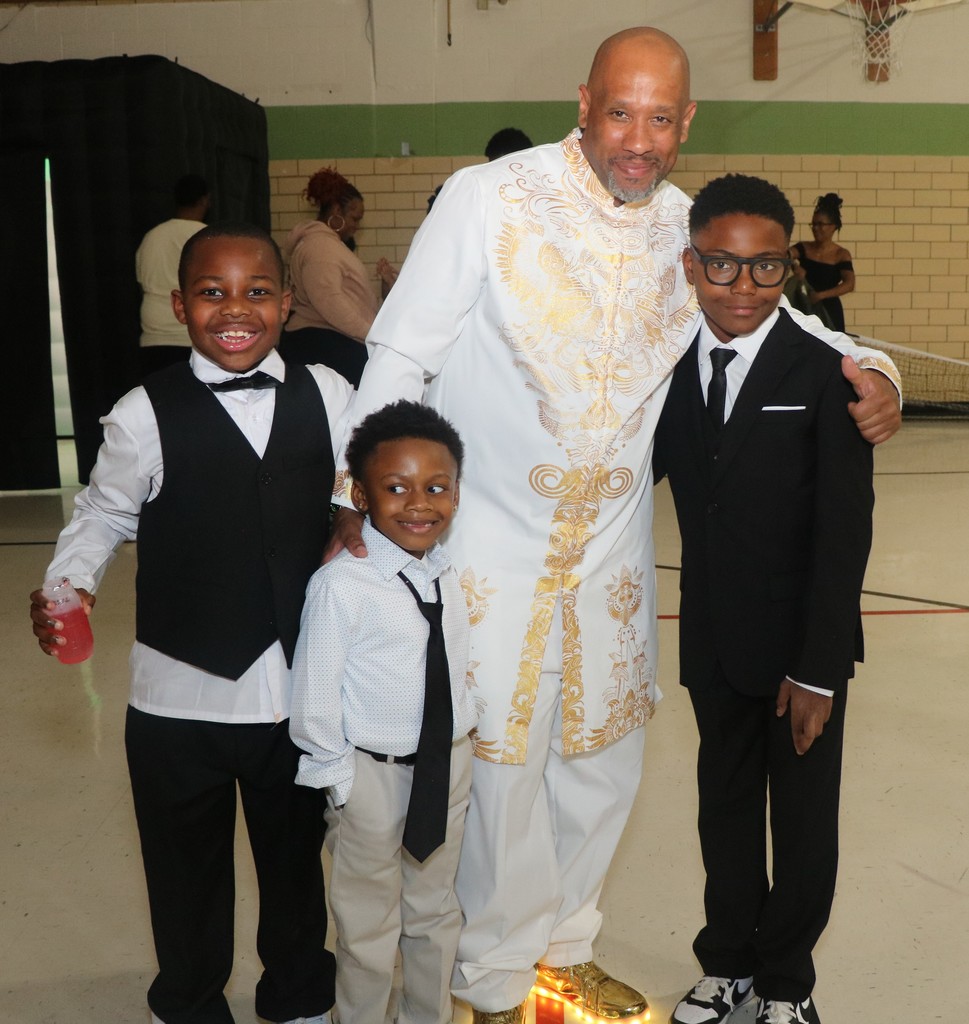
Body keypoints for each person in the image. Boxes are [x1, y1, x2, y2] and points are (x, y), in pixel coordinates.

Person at [327, 27, 901, 1024]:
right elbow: (400, 351)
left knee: (601, 759)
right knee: (502, 765)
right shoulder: (487, 199)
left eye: (662, 117)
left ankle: (565, 951)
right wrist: (353, 499)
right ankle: (494, 982)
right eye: (622, 112)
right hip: (490, 544)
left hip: (611, 555)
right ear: (585, 102)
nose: (639, 138)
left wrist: (881, 374)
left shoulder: (690, 230)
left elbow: (796, 326)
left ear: (688, 123)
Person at [30, 223, 354, 1024]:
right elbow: (102, 513)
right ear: (179, 305)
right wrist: (68, 584)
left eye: (255, 292)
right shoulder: (142, 413)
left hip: (296, 687)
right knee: (184, 871)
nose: (234, 310)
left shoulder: (334, 395)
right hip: (178, 695)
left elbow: (363, 496)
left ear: (285, 301)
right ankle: (188, 1001)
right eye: (212, 293)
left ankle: (299, 997)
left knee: (295, 864)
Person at [657, 174, 873, 1024]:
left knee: (804, 826)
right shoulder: (664, 365)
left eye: (763, 269)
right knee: (725, 810)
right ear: (689, 264)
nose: (740, 288)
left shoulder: (822, 370)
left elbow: (842, 532)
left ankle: (787, 981)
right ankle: (728, 962)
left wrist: (817, 668)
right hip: (712, 639)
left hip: (798, 649)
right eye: (719, 266)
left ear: (787, 267)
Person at [290, 399, 478, 1024]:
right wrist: (343, 783)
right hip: (372, 773)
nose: (418, 503)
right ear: (362, 496)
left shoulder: (447, 572)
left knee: (435, 908)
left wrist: (466, 740)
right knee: (368, 923)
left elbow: (453, 666)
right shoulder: (342, 584)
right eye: (396, 488)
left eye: (436, 488)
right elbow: (314, 698)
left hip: (444, 768)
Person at [281, 166, 397, 387]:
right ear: (336, 210)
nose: (356, 226)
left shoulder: (327, 245)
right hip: (323, 343)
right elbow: (330, 301)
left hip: (331, 339)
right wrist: (373, 336)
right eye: (354, 218)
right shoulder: (320, 247)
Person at [135, 173, 210, 377]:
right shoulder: (208, 239)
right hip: (192, 336)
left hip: (154, 335)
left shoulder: (152, 236)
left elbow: (142, 286)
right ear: (204, 200)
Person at [791, 193, 855, 333]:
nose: (816, 228)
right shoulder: (804, 247)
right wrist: (795, 267)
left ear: (833, 226)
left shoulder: (841, 254)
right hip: (804, 307)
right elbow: (784, 255)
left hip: (829, 310)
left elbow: (849, 284)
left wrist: (821, 295)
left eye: (821, 224)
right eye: (813, 224)